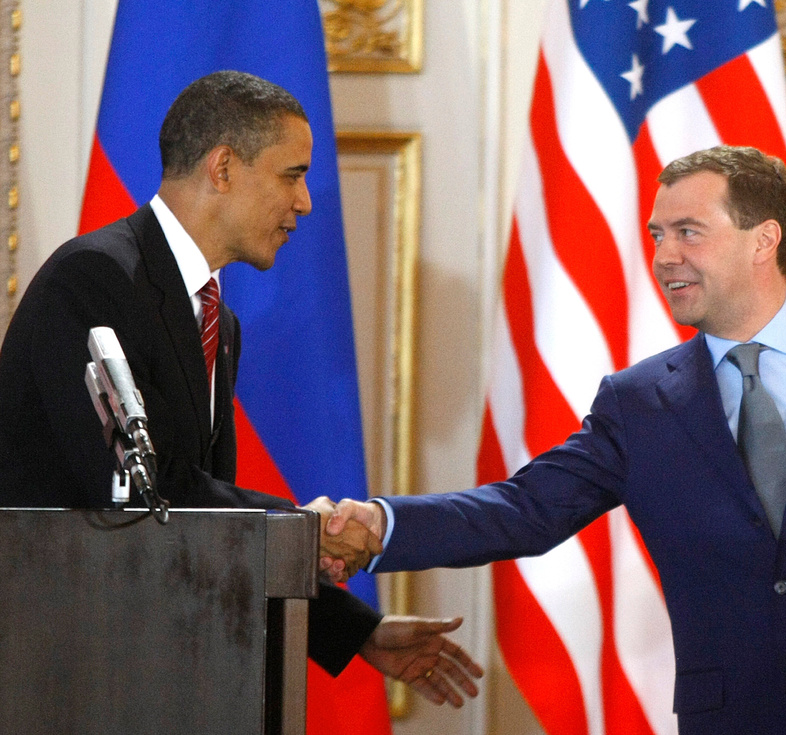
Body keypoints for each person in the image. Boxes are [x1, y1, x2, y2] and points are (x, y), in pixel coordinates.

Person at [335, 145, 786, 734]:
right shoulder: (638, 404)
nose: (663, 256)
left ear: (763, 237)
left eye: (688, 232)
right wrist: (379, 525)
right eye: (657, 234)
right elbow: (524, 509)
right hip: (728, 719)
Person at [0, 70, 481, 706]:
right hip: (72, 671)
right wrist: (301, 530)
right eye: (292, 174)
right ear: (223, 167)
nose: (306, 202)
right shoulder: (92, 281)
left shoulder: (215, 319)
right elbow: (143, 497)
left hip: (165, 666)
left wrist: (357, 632)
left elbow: (202, 526)